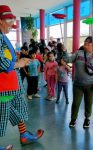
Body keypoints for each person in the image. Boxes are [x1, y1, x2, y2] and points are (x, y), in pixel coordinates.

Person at [0, 5, 44, 150]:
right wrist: (18, 63)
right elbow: (1, 61)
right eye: (9, 20)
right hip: (4, 87)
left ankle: (24, 134)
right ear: (0, 20)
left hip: (11, 85)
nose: (12, 23)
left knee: (18, 110)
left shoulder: (3, 37)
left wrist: (18, 61)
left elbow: (7, 59)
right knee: (2, 117)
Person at [67, 36, 93, 128]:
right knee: (75, 103)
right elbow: (68, 60)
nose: (85, 45)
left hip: (91, 85)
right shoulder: (78, 53)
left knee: (89, 103)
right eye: (84, 43)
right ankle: (73, 119)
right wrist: (64, 52)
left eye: (88, 44)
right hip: (77, 84)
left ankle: (87, 119)